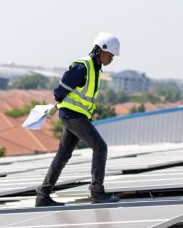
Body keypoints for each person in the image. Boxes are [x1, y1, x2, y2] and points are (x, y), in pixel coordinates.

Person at [35, 32, 121, 207]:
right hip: (72, 116)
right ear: (100, 50)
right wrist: (60, 102)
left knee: (63, 155)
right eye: (110, 55)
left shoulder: (95, 69)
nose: (112, 59)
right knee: (100, 147)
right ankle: (97, 192)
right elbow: (59, 91)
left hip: (75, 116)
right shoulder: (83, 67)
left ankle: (43, 195)